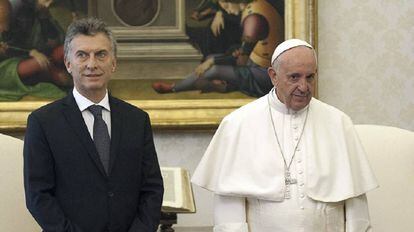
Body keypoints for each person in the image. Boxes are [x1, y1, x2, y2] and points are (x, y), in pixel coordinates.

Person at [191, 39, 378, 231]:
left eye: (310, 77)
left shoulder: (338, 122)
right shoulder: (239, 123)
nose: (304, 87)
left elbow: (356, 204)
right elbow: (229, 208)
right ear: (273, 75)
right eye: (294, 77)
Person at [23, 17, 164, 232]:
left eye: (101, 54)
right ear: (68, 64)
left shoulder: (137, 119)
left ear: (113, 63)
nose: (92, 64)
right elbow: (38, 196)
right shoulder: (43, 122)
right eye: (82, 55)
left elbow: (152, 188)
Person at [153, 0, 284, 98]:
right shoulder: (255, 7)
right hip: (255, 63)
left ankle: (173, 88)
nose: (224, 8)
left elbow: (241, 62)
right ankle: (223, 84)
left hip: (264, 75)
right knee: (211, 61)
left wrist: (213, 62)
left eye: (225, 4)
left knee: (214, 68)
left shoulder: (253, 20)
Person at [0, 0, 71, 101]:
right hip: (8, 66)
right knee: (38, 64)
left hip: (34, 54)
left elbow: (55, 40)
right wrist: (31, 52)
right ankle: (54, 76)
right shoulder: (19, 11)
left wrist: (44, 18)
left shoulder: (39, 12)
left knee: (65, 50)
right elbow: (12, 44)